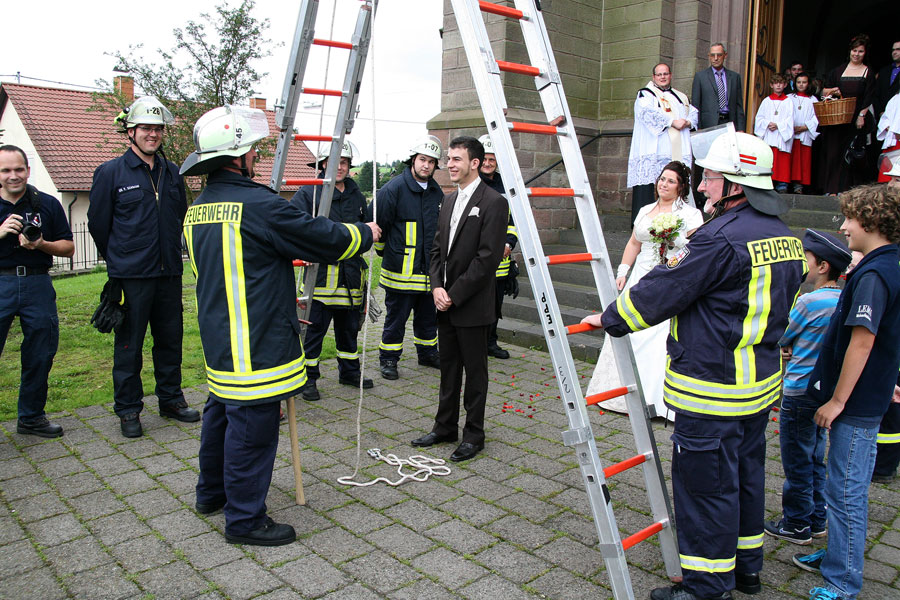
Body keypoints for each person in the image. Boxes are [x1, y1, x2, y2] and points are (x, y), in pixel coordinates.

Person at [582, 125, 806, 600]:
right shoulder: (784, 237)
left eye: (709, 177)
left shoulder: (719, 238)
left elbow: (660, 293)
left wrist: (611, 318)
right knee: (746, 478)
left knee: (705, 491)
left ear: (736, 185)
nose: (701, 185)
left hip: (712, 391)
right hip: (758, 387)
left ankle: (706, 587)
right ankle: (747, 570)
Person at [180, 105, 378, 545]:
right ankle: (245, 521)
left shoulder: (198, 207)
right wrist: (364, 232)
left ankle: (210, 494)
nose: (255, 157)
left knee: (221, 414)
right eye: (251, 150)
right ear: (238, 157)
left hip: (220, 335)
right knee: (252, 427)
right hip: (258, 335)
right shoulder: (261, 206)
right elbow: (323, 238)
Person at [793, 184, 900, 600]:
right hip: (867, 393)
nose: (843, 226)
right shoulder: (887, 264)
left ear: (871, 222)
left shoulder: (873, 274)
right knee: (843, 483)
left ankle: (843, 580)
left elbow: (863, 340)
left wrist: (837, 401)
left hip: (854, 404)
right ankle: (839, 553)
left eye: (850, 219)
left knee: (845, 490)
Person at [88, 96, 199, 438]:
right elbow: (98, 225)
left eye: (157, 129)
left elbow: (180, 217)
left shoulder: (171, 172)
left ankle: (171, 400)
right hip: (131, 277)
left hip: (168, 274)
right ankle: (128, 409)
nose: (152, 135)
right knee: (129, 346)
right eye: (146, 129)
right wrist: (120, 262)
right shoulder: (110, 173)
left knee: (170, 341)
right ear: (131, 132)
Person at [411, 136, 507, 463]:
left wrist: (453, 294)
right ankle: (444, 427)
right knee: (448, 369)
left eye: (456, 159)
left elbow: (487, 259)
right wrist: (436, 287)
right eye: (449, 159)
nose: (449, 164)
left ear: (475, 163)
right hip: (445, 303)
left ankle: (474, 435)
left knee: (475, 374)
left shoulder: (494, 202)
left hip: (472, 305)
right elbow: (437, 250)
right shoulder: (448, 201)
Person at [586, 161, 702, 421]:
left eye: (671, 181)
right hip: (640, 276)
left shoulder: (691, 214)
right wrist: (623, 271)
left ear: (681, 187)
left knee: (660, 336)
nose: (664, 184)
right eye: (662, 179)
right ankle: (617, 393)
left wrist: (674, 240)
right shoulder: (645, 210)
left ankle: (656, 400)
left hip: (671, 277)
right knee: (629, 325)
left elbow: (697, 248)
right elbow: (634, 242)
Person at [764, 229, 851, 546]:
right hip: (824, 391)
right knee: (816, 456)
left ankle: (796, 522)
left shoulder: (808, 302)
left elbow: (782, 335)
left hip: (799, 389)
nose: (802, 263)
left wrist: (786, 346)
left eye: (807, 258)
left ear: (823, 266)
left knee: (796, 460)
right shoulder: (843, 300)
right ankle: (817, 518)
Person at [0, 145, 74, 438]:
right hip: (1, 281)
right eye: (6, 170)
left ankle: (31, 417)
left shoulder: (47, 204)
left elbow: (68, 248)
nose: (13, 176)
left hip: (37, 282)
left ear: (28, 170)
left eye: (19, 169)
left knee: (41, 352)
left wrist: (41, 244)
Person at [291, 141, 371, 401]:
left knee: (348, 333)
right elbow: (298, 230)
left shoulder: (357, 195)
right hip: (321, 279)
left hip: (350, 279)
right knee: (313, 334)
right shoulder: (309, 193)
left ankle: (349, 372)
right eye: (335, 162)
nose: (340, 167)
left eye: (345, 162)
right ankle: (308, 379)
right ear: (324, 163)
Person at [372, 136, 444, 380]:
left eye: (432, 162)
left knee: (428, 318)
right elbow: (379, 229)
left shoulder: (436, 192)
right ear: (413, 160)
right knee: (396, 320)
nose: (426, 165)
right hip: (400, 274)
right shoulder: (393, 189)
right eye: (423, 159)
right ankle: (389, 359)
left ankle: (427, 354)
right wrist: (387, 254)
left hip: (428, 274)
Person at [627, 63, 699, 224]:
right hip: (657, 149)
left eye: (665, 74)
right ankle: (647, 223)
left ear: (670, 75)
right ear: (654, 77)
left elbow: (694, 113)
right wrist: (672, 121)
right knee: (655, 183)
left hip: (676, 148)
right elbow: (646, 113)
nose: (663, 77)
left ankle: (675, 221)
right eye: (659, 74)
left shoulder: (680, 97)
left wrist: (687, 122)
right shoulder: (646, 94)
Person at [817, 34, 877, 195]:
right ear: (850, 51)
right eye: (854, 50)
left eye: (860, 51)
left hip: (854, 119)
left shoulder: (868, 72)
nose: (856, 54)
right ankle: (831, 189)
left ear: (865, 53)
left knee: (849, 155)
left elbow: (869, 96)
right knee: (833, 153)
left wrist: (861, 116)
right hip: (837, 118)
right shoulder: (837, 71)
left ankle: (846, 190)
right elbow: (824, 91)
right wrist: (833, 90)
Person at [478, 133, 518, 359]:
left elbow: (513, 222)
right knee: (475, 305)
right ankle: (474, 345)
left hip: (501, 261)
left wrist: (509, 243)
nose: (488, 163)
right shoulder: (471, 183)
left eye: (492, 159)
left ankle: (490, 343)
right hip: (476, 258)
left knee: (495, 305)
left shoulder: (507, 186)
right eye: (485, 158)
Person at [753, 73, 795, 193]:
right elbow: (759, 118)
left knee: (781, 160)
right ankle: (767, 182)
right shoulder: (766, 101)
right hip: (769, 135)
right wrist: (767, 124)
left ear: (785, 85)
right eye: (776, 83)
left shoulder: (788, 102)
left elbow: (790, 119)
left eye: (781, 83)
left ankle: (782, 184)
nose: (778, 85)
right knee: (769, 159)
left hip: (781, 136)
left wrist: (778, 125)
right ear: (771, 85)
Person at [691, 43, 746, 131]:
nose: (715, 58)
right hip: (708, 124)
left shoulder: (735, 77)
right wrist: (698, 127)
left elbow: (739, 106)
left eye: (719, 55)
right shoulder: (700, 77)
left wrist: (741, 128)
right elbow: (696, 105)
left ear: (725, 55)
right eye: (712, 55)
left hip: (730, 123)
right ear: (709, 56)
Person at [789, 73, 820, 194]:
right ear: (795, 83)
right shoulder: (789, 98)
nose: (801, 85)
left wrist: (804, 127)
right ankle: (785, 184)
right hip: (790, 134)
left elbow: (816, 117)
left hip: (805, 134)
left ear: (808, 84)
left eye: (804, 82)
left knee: (802, 162)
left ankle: (799, 186)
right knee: (790, 160)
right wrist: (790, 127)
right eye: (799, 82)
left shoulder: (813, 99)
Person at [875, 94, 900, 182]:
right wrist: (889, 127)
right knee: (888, 177)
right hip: (894, 141)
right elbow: (885, 118)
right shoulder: (895, 98)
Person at [874, 40, 900, 119]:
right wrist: (880, 112)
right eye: (893, 50)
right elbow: (876, 94)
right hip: (882, 117)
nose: (894, 52)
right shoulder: (884, 71)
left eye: (898, 49)